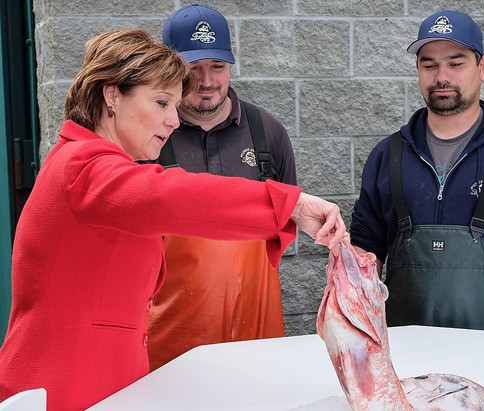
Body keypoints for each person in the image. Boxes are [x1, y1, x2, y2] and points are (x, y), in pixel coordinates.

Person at [0, 29, 345, 411]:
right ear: (112, 95)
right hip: (63, 388)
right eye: (162, 102)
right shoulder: (80, 165)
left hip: (110, 385)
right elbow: (170, 196)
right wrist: (288, 205)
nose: (173, 120)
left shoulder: (92, 164)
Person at [350, 10, 484, 335]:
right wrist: (361, 332)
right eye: (429, 65)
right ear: (418, 70)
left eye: (456, 63)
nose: (442, 77)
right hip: (408, 352)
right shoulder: (388, 154)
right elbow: (364, 250)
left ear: (483, 67)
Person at [145, 4, 297, 371]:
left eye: (217, 66)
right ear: (172, 70)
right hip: (171, 347)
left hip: (256, 339)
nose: (207, 80)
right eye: (193, 69)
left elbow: (289, 220)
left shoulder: (268, 132)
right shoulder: (148, 137)